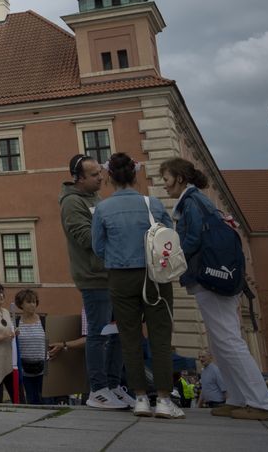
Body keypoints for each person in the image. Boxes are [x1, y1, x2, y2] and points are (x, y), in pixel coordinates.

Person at [160, 157, 268, 421]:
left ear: (179, 178)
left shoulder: (191, 202)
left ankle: (262, 402)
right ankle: (237, 398)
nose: (164, 185)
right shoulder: (199, 201)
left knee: (228, 340)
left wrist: (170, 258)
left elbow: (194, 239)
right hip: (218, 277)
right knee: (220, 341)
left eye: (166, 179)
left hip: (209, 278)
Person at [91, 152, 181, 419]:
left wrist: (118, 257)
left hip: (120, 277)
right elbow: (169, 238)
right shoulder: (151, 203)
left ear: (110, 177)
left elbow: (98, 247)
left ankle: (140, 398)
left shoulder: (103, 208)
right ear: (134, 175)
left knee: (129, 339)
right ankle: (164, 399)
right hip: (154, 276)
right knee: (160, 337)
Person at [59, 153, 131, 410]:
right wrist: (116, 227)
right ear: (78, 179)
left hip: (109, 274)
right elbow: (84, 237)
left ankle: (113, 386)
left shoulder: (95, 199)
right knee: (98, 335)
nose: (101, 177)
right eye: (94, 175)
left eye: (100, 173)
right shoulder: (71, 203)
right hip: (93, 278)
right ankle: (98, 390)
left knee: (116, 334)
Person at [13, 289, 46, 405]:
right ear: (21, 304)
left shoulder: (43, 321)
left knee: (47, 400)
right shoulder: (16, 323)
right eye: (29, 302)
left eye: (34, 302)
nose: (33, 305)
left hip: (44, 369)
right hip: (25, 369)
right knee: (32, 401)